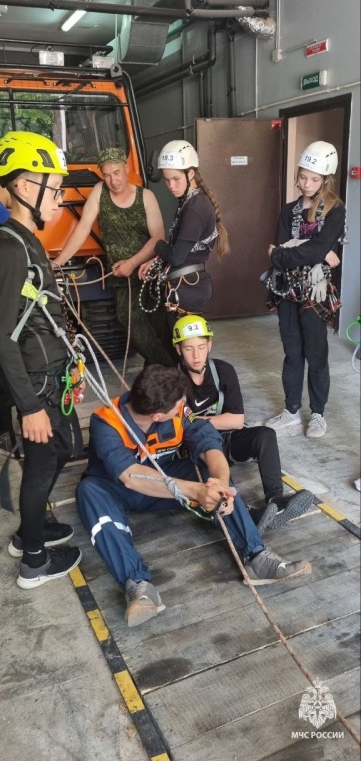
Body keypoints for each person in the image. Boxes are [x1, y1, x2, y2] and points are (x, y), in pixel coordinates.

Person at [76, 365, 311, 628]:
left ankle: (256, 556)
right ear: (157, 415)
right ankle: (138, 585)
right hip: (116, 488)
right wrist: (195, 491)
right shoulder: (105, 421)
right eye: (178, 407)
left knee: (206, 473)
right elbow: (130, 476)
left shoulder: (177, 409)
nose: (183, 408)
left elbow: (209, 443)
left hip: (166, 482)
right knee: (88, 492)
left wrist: (219, 485)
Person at [0, 130, 81, 588]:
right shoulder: (9, 247)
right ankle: (33, 560)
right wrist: (29, 405)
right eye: (56, 189)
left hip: (52, 374)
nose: (61, 200)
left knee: (62, 449)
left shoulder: (28, 242)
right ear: (26, 188)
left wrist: (70, 369)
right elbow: (1, 336)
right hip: (34, 382)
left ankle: (30, 532)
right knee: (43, 462)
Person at [172, 314, 314, 533]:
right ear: (179, 350)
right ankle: (247, 516)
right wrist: (212, 423)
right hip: (198, 449)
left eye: (201, 347)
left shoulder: (223, 371)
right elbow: (176, 426)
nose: (196, 355)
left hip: (229, 439)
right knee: (212, 482)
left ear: (209, 345)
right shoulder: (171, 379)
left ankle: (276, 500)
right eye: (189, 348)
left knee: (265, 435)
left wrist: (200, 421)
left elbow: (237, 421)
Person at [56, 147, 173, 366]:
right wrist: (58, 262)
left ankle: (167, 372)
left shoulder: (145, 196)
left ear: (126, 168)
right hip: (122, 277)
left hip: (148, 272)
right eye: (107, 174)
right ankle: (171, 370)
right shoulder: (100, 191)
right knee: (131, 323)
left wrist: (132, 262)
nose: (113, 180)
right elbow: (82, 229)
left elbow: (158, 238)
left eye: (117, 172)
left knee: (158, 327)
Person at [264, 141, 345, 438]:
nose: (307, 184)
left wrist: (287, 252)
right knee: (292, 352)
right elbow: (288, 249)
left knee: (317, 352)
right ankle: (292, 412)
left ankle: (318, 414)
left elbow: (284, 251)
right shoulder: (288, 211)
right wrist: (312, 250)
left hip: (316, 292)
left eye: (314, 179)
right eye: (302, 177)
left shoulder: (335, 211)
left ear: (325, 180)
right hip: (287, 290)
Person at [139, 140, 230, 341]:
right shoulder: (190, 201)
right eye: (167, 180)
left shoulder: (195, 208)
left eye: (176, 179)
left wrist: (155, 243)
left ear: (191, 174)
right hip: (186, 285)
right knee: (176, 347)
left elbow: (176, 255)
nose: (171, 186)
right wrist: (155, 261)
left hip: (187, 288)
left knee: (184, 350)